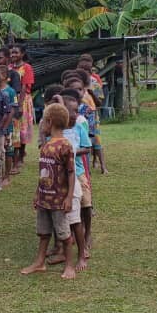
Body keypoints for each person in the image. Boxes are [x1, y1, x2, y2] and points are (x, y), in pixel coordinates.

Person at [21, 103, 77, 280]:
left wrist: (68, 197)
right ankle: (39, 262)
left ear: (49, 122)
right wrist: (38, 194)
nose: (41, 125)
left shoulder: (65, 146)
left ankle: (69, 265)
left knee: (64, 234)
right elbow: (43, 174)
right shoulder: (45, 146)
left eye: (43, 122)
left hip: (59, 201)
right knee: (43, 232)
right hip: (44, 199)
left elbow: (71, 172)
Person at [60, 88, 93, 268]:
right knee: (62, 215)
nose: (75, 114)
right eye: (70, 111)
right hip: (59, 178)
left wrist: (70, 152)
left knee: (84, 207)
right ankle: (61, 248)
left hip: (77, 174)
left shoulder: (79, 127)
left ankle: (84, 242)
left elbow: (87, 148)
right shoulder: (55, 130)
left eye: (75, 110)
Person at [9, 44, 35, 168]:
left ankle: (20, 154)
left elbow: (24, 86)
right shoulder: (9, 68)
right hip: (11, 99)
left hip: (23, 100)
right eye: (12, 52)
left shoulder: (27, 68)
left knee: (22, 127)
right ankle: (15, 153)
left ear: (22, 54)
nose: (13, 55)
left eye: (16, 52)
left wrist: (19, 105)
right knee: (14, 127)